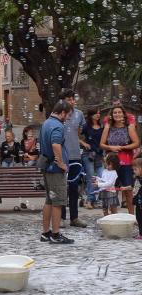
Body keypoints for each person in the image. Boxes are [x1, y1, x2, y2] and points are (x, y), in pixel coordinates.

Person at [39, 100, 75, 244]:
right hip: (55, 170)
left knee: (49, 200)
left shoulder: (46, 123)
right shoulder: (58, 126)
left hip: (47, 168)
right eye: (68, 115)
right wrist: (61, 163)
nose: (68, 118)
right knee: (58, 202)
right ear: (62, 112)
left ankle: (45, 233)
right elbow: (55, 144)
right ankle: (55, 234)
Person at [100, 104, 140, 214]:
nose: (117, 114)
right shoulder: (108, 127)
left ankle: (132, 215)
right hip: (111, 163)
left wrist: (123, 147)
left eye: (119, 112)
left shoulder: (129, 127)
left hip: (126, 162)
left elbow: (136, 143)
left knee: (127, 189)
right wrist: (110, 147)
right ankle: (113, 216)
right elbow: (102, 144)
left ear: (123, 114)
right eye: (115, 113)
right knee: (111, 189)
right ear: (112, 115)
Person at [59, 89, 89, 228]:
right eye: (69, 99)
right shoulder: (58, 114)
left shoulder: (79, 114)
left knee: (73, 188)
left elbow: (80, 133)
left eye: (73, 99)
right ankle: (61, 217)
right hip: (62, 156)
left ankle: (74, 218)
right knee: (61, 188)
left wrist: (82, 142)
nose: (72, 101)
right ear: (63, 101)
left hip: (75, 155)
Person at [82, 107, 105, 209]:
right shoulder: (86, 126)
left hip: (99, 155)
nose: (98, 115)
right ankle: (90, 200)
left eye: (99, 113)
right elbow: (76, 135)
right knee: (91, 177)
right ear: (91, 115)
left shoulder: (102, 126)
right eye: (96, 113)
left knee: (102, 176)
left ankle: (100, 200)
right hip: (88, 154)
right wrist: (84, 143)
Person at [94, 152, 120, 217]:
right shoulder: (104, 171)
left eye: (109, 164)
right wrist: (97, 179)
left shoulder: (114, 173)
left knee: (113, 207)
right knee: (104, 207)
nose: (106, 165)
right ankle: (106, 219)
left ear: (113, 164)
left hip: (111, 192)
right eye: (106, 163)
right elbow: (104, 180)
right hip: (103, 192)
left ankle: (115, 219)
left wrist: (99, 184)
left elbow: (109, 183)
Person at [132, 156, 142, 239]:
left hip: (140, 200)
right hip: (138, 201)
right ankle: (140, 233)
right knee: (138, 217)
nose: (134, 171)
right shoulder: (137, 178)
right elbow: (134, 187)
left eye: (135, 169)